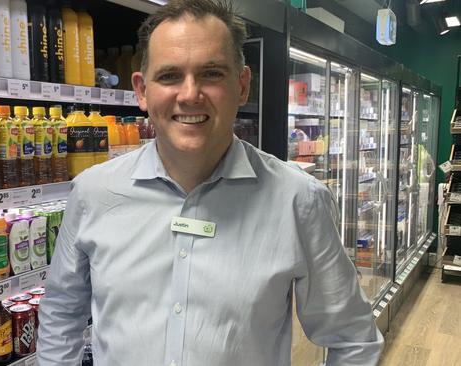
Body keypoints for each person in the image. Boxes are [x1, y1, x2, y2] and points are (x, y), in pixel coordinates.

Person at [37, 0, 384, 365]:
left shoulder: (298, 200)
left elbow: (353, 341)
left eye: (212, 74)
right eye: (169, 76)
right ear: (142, 91)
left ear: (242, 84)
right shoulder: (94, 192)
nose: (189, 94)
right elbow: (61, 313)